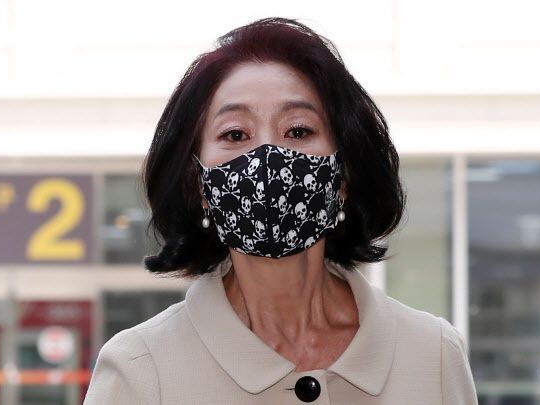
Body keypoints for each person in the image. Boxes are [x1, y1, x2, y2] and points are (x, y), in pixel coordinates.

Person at [84, 17, 478, 404]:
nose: (268, 158)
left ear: (344, 173)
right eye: (235, 134)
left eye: (298, 131)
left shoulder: (434, 357)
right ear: (198, 183)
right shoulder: (139, 371)